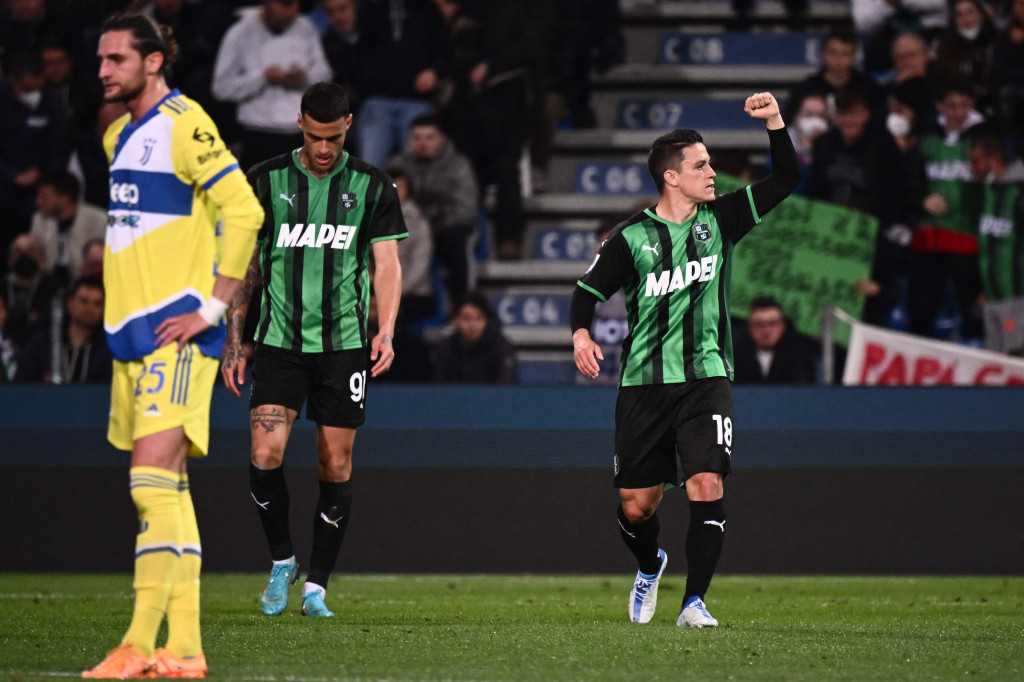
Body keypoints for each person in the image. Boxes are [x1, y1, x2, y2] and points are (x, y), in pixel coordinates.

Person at [570, 93, 798, 627]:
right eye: (701, 165)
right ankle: (650, 565)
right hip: (644, 384)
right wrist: (581, 334)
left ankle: (694, 601)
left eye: (710, 164)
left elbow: (786, 179)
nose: (712, 172)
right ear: (671, 177)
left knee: (706, 482)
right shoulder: (630, 239)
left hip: (706, 378)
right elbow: (586, 293)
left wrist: (775, 123)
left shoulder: (723, 219)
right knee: (636, 505)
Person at [82, 12, 263, 679]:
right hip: (133, 338)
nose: (102, 70)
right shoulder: (117, 137)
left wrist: (211, 308)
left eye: (116, 59)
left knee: (149, 482)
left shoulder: (186, 125)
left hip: (176, 334)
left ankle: (136, 642)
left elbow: (244, 211)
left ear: (153, 62)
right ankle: (183, 649)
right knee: (169, 491)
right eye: (100, 59)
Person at [221, 81, 406, 619]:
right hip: (279, 345)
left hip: (343, 348)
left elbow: (387, 265)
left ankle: (317, 586)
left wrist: (386, 329)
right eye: (315, 136)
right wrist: (235, 341)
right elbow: (245, 267)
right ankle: (282, 560)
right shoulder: (266, 180)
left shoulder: (373, 187)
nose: (324, 149)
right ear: (300, 122)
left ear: (348, 124)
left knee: (335, 460)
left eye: (333, 137)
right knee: (263, 454)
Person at [906, 79, 986, 339]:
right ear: (940, 106)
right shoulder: (925, 141)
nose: (958, 112)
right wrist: (921, 199)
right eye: (951, 106)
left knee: (972, 313)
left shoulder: (984, 141)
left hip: (968, 241)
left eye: (964, 105)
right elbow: (904, 182)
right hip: (928, 241)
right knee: (920, 313)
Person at [212, 0, 332, 171]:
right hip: (257, 134)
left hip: (299, 133)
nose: (287, 17)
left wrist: (304, 78)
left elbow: (325, 74)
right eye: (282, 5)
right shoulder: (240, 33)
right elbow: (221, 87)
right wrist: (263, 78)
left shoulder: (305, 27)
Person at [387, 114, 479, 305]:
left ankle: (462, 306)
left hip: (445, 227)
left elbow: (465, 209)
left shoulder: (458, 165)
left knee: (457, 241)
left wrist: (433, 223)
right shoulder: (397, 166)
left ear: (441, 140)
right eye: (417, 138)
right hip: (410, 225)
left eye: (429, 138)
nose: (422, 143)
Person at [968, 134, 1024, 351]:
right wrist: (986, 289)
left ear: (994, 159)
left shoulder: (1019, 193)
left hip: (1017, 298)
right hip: (992, 298)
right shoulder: (990, 191)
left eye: (976, 161)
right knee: (997, 366)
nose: (972, 168)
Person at [14, 275, 111, 383]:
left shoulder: (108, 348)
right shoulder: (43, 343)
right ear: (70, 303)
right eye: (84, 301)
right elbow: (22, 382)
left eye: (97, 304)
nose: (90, 309)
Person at [29, 171, 107, 286]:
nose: (38, 202)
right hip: (48, 283)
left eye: (44, 196)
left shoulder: (99, 220)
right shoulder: (39, 220)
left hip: (90, 284)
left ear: (63, 198)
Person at [433, 290, 517, 384]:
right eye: (467, 318)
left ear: (487, 320)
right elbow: (440, 389)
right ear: (455, 320)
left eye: (479, 318)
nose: (473, 325)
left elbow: (507, 388)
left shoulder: (502, 347)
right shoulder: (446, 348)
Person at [732, 297, 818, 384]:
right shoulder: (734, 356)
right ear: (749, 327)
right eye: (759, 324)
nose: (766, 330)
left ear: (783, 325)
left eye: (772, 323)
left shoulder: (800, 354)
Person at [388, 168, 436, 322]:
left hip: (413, 293)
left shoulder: (419, 223)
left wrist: (396, 291)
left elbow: (420, 265)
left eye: (400, 186)